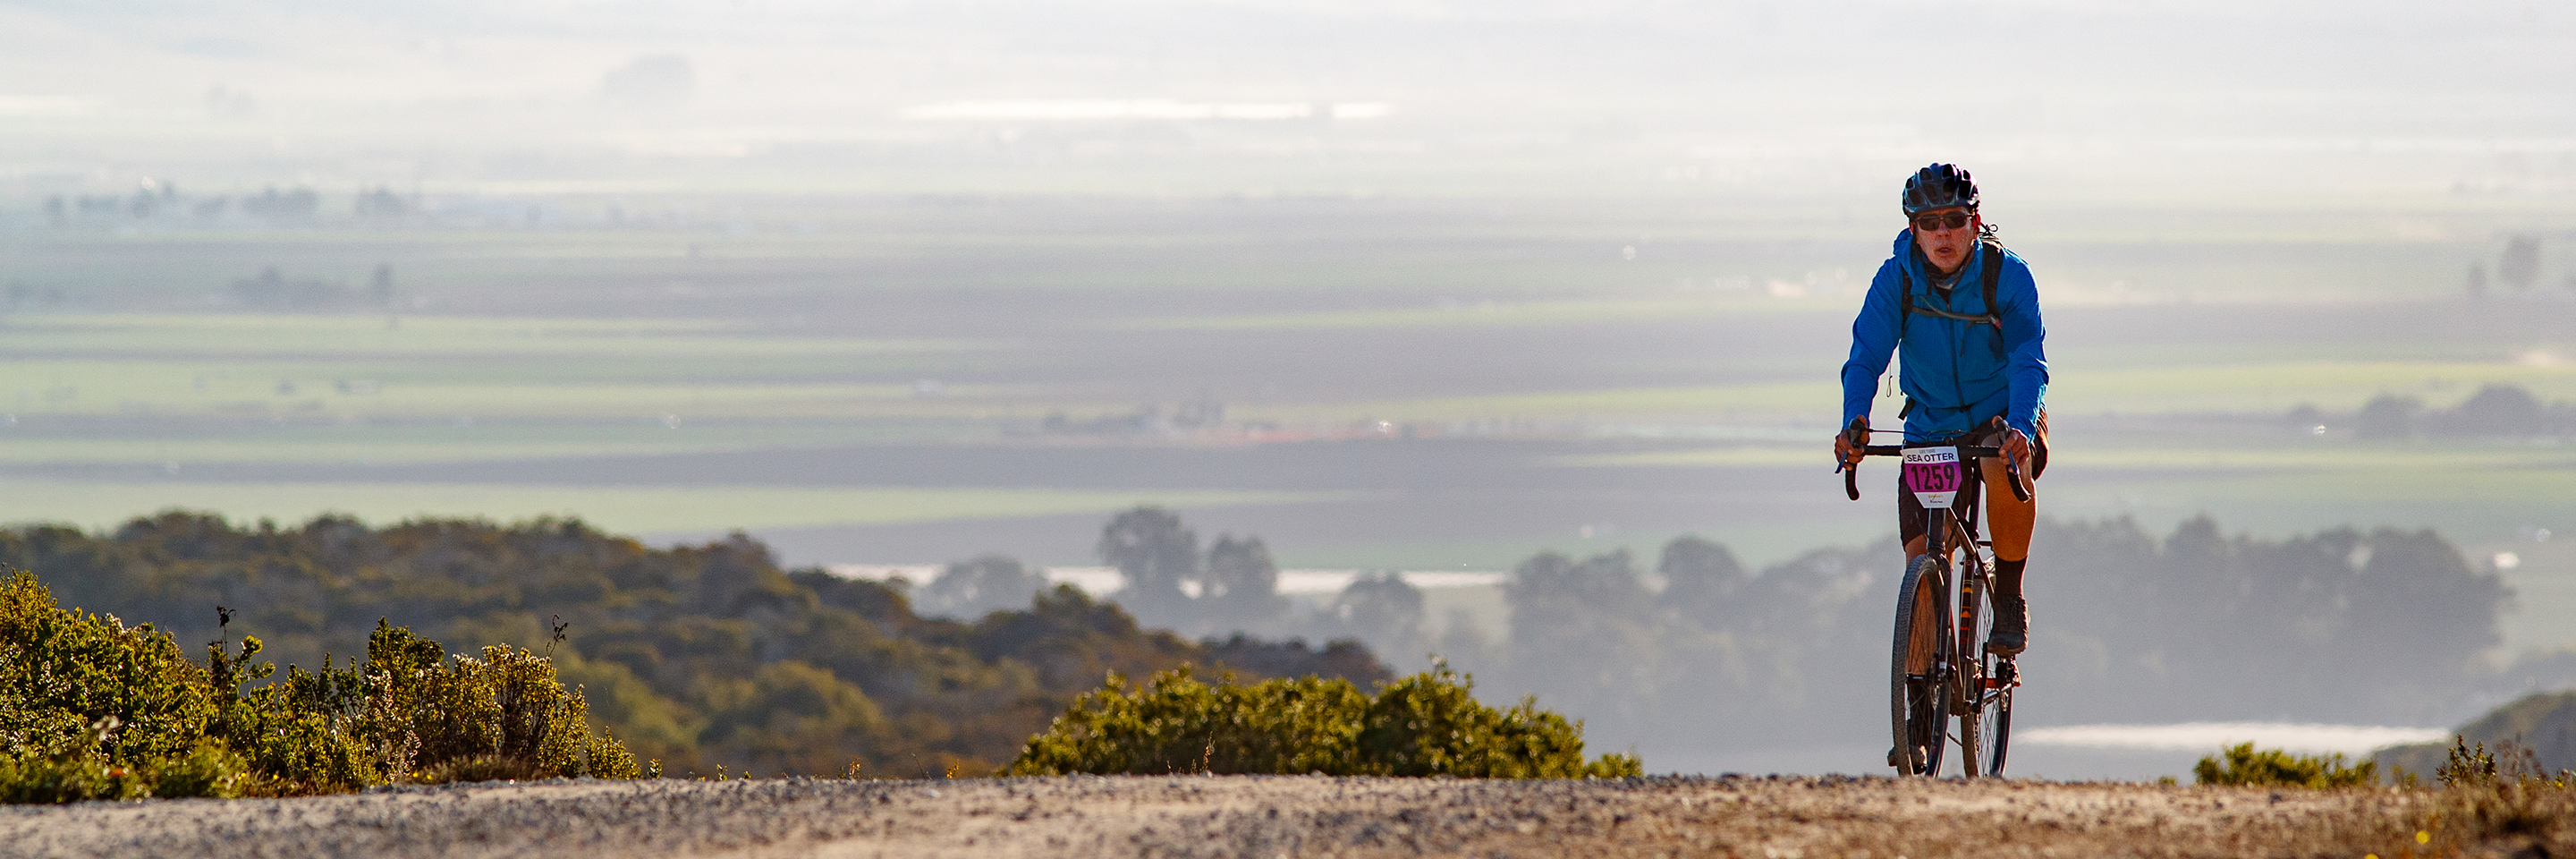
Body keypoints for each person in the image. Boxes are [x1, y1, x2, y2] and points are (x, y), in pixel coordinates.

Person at [1833, 163, 2049, 656]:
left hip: (2002, 416)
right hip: (1931, 424)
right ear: (1913, 230)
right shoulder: (1897, 280)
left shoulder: (2007, 277)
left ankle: (2011, 595)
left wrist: (2019, 427)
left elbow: (2027, 361)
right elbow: (1865, 358)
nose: (1942, 232)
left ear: (1975, 222)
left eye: (1953, 219)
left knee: (2001, 463)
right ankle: (1919, 712)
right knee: (1922, 566)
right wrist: (1855, 421)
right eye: (1929, 223)